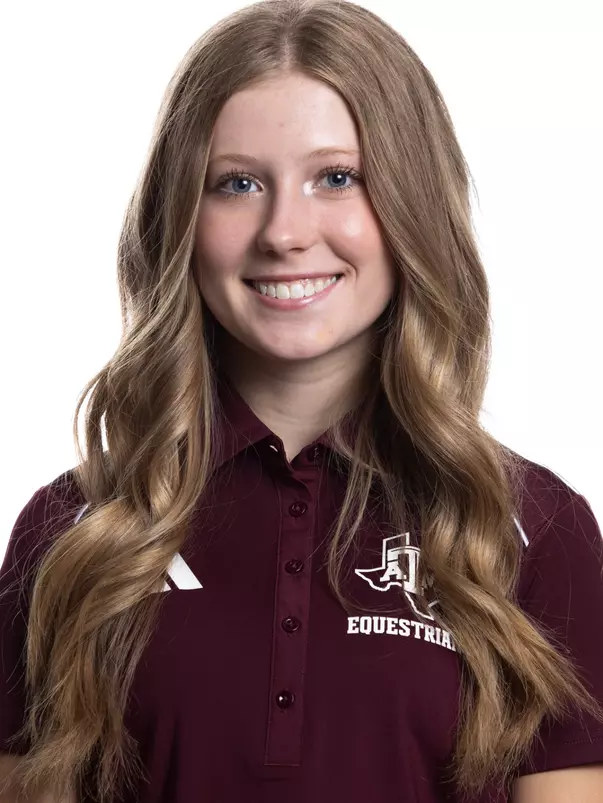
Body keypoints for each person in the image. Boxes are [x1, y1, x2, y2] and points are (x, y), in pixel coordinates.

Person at [1, 1, 602, 801]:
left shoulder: (532, 525)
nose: (284, 231)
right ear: (181, 215)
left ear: (411, 205)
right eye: (237, 183)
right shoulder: (75, 529)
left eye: (337, 178)